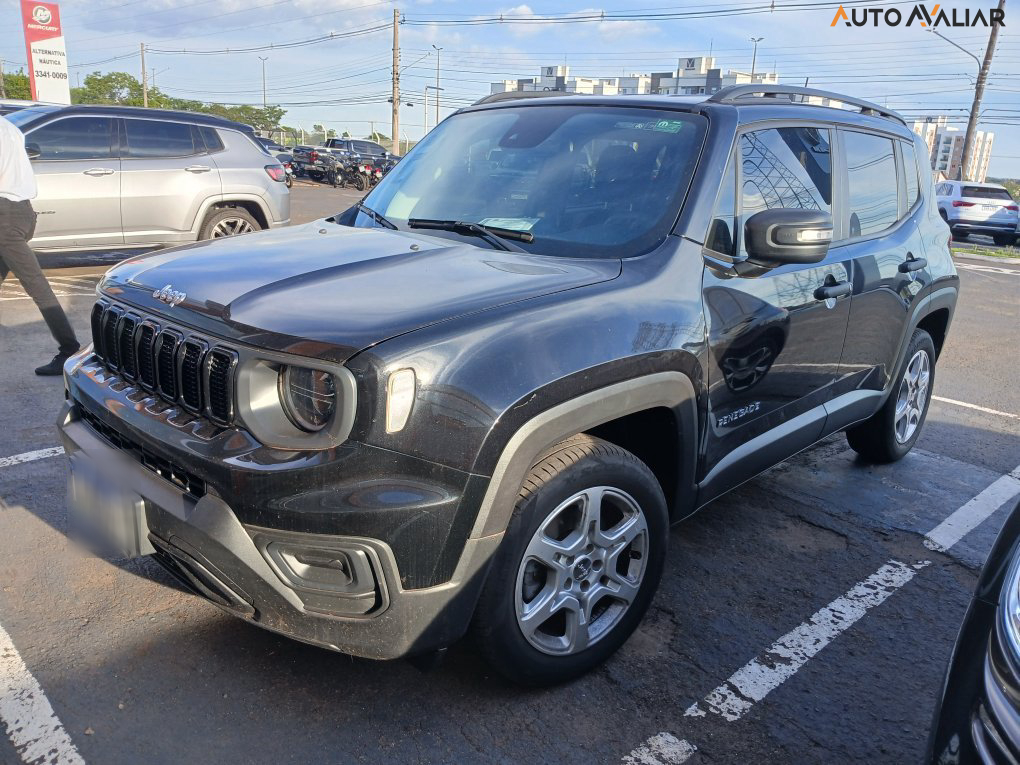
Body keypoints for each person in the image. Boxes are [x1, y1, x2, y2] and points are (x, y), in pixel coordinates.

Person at [0, 114, 80, 375]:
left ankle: (70, 350)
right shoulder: (10, 127)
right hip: (21, 212)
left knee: (37, 287)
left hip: (5, 218)